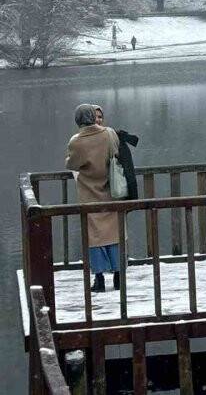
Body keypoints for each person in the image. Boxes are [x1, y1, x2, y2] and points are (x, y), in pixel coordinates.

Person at [65, 104, 122, 292]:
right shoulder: (109, 133)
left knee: (94, 236)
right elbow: (116, 153)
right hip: (111, 188)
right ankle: (118, 276)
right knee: (115, 233)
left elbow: (72, 163)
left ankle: (99, 279)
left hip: (89, 192)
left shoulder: (76, 141)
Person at [94, 105, 140, 200]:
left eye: (100, 117)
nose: (98, 120)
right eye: (94, 117)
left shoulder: (112, 136)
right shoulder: (84, 139)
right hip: (97, 189)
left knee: (116, 212)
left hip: (115, 186)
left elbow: (126, 163)